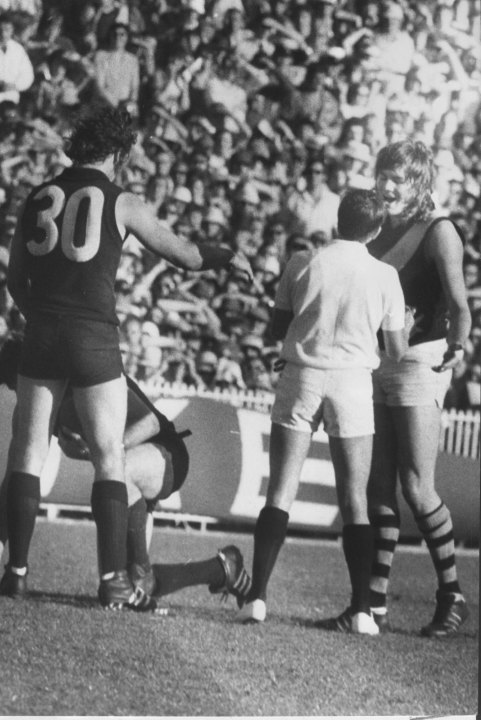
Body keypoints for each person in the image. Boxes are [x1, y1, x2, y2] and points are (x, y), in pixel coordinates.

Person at [0, 105, 253, 610]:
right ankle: (113, 579)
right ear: (118, 153)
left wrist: (42, 317)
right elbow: (184, 254)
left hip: (43, 331)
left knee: (27, 451)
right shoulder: (122, 200)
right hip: (92, 334)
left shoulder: (38, 195)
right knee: (109, 455)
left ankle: (15, 573)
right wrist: (227, 255)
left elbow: (13, 281)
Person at [238, 189, 408, 633]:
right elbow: (395, 348)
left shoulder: (301, 262)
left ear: (338, 220)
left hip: (302, 374)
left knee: (280, 490)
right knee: (355, 501)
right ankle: (361, 610)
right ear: (375, 229)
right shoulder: (385, 274)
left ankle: (257, 598)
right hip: (352, 381)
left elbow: (278, 327)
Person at [0, 336, 251, 610]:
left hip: (165, 453)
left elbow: (153, 422)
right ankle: (223, 568)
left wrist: (103, 451)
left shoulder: (83, 382)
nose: (16, 390)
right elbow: (13, 480)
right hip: (129, 473)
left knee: (121, 468)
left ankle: (145, 572)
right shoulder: (35, 401)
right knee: (137, 585)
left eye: (14, 382)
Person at [366, 139, 472, 638]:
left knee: (416, 485)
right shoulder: (370, 228)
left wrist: (460, 340)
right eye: (384, 174)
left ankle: (452, 595)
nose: (387, 185)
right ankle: (374, 602)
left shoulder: (438, 230)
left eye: (399, 179)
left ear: (419, 184)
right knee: (379, 483)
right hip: (377, 359)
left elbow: (459, 299)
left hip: (420, 360)